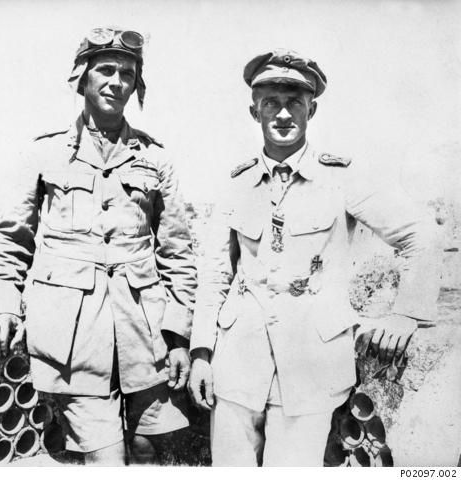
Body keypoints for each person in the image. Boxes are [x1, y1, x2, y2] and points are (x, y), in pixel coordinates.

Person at [187, 49, 440, 466]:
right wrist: (201, 352)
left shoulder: (341, 177)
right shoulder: (236, 183)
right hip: (237, 367)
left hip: (311, 368)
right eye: (271, 103)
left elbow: (422, 233)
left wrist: (407, 312)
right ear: (255, 112)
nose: (282, 114)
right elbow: (214, 274)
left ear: (312, 110)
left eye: (294, 103)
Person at [0, 27, 197, 465]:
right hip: (72, 341)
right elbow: (11, 239)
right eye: (106, 70)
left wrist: (178, 339)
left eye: (128, 74)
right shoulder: (44, 154)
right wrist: (4, 305)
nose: (117, 81)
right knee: (106, 460)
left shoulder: (156, 158)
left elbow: (178, 255)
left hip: (146, 340)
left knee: (147, 451)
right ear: (82, 77)